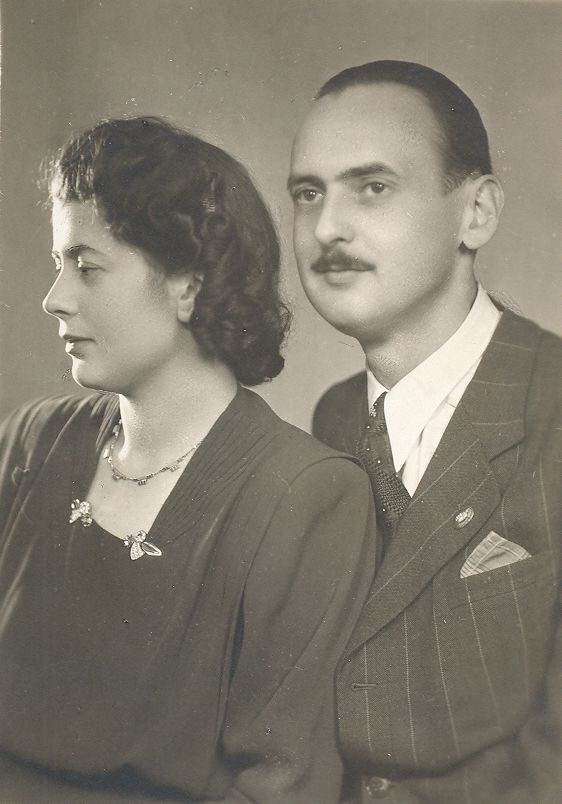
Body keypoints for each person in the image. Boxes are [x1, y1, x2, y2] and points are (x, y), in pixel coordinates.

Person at [0, 116, 376, 802]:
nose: (54, 299)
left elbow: (280, 785)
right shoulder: (32, 441)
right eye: (59, 265)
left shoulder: (304, 497)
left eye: (87, 267)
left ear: (188, 285)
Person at [288, 60, 561, 803]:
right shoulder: (334, 419)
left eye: (372, 187)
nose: (327, 227)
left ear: (476, 213)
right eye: (308, 193)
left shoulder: (552, 404)